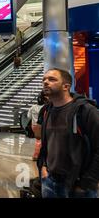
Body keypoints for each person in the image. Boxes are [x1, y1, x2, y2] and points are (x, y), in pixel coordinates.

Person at [38, 68, 99, 198]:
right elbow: (46, 143)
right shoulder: (46, 111)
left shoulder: (86, 111)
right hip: (50, 180)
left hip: (78, 185)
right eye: (44, 79)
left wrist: (87, 182)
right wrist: (43, 165)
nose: (45, 82)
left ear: (66, 86)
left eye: (52, 79)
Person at [27, 91, 48, 161]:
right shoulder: (44, 107)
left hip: (34, 125)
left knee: (38, 140)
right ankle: (36, 155)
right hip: (41, 125)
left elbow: (28, 116)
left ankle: (38, 155)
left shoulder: (33, 107)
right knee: (41, 141)